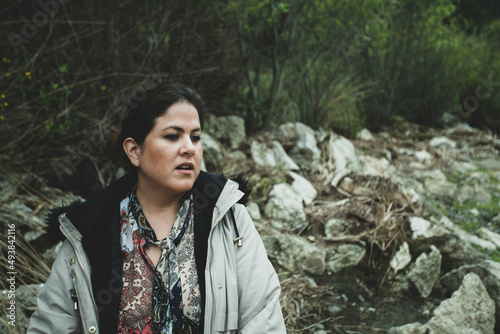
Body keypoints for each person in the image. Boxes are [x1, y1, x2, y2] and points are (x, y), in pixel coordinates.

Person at [28, 82, 286, 334]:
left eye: (195, 137)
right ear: (134, 151)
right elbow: (51, 325)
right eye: (173, 136)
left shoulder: (229, 218)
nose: (189, 148)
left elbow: (262, 317)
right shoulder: (88, 232)